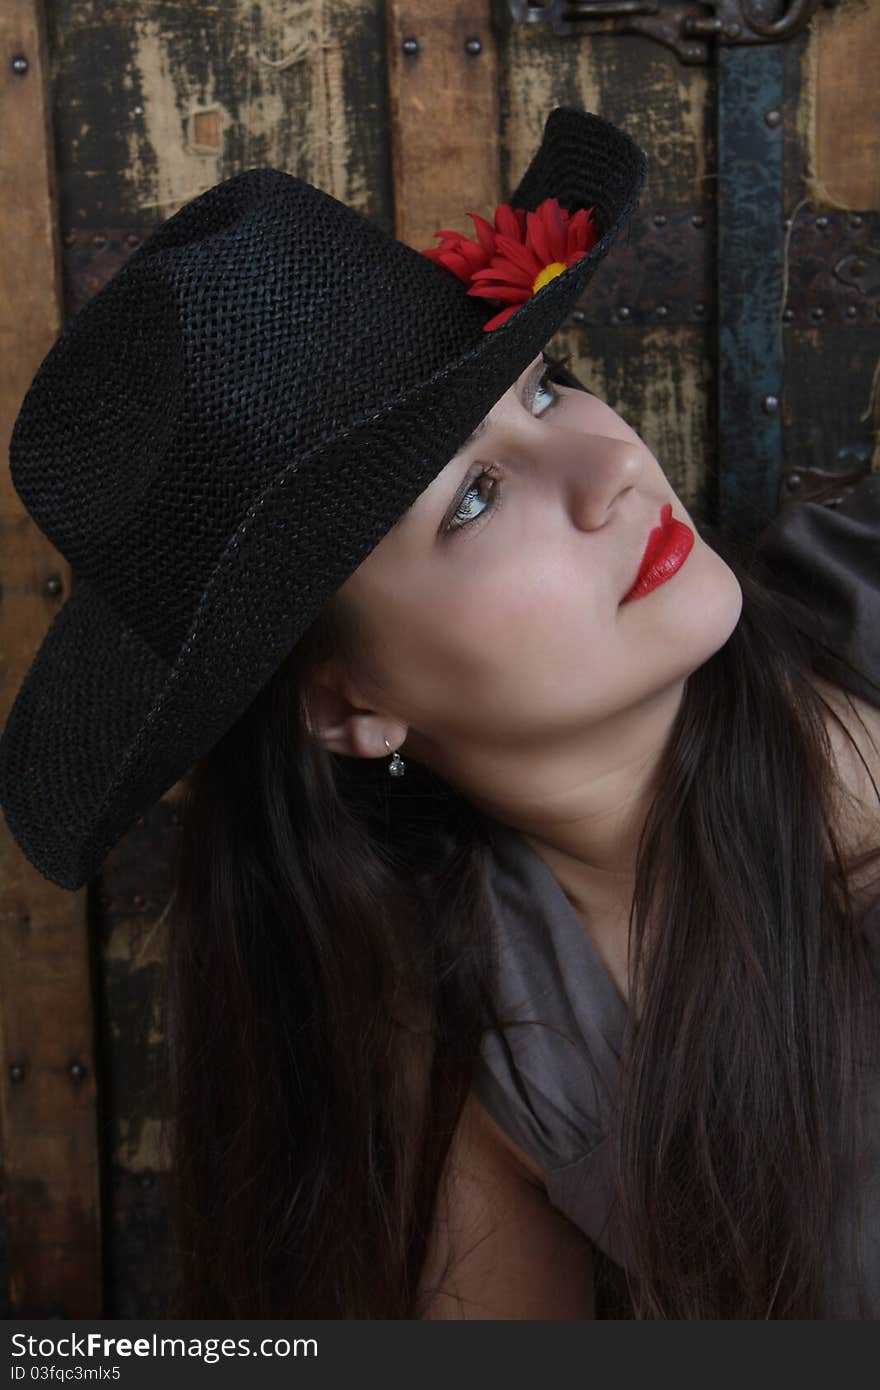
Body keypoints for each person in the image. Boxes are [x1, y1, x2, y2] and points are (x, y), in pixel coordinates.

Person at [1, 106, 878, 1321]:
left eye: (548, 390)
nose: (613, 468)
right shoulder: (488, 1040)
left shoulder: (863, 600)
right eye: (472, 498)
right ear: (347, 703)